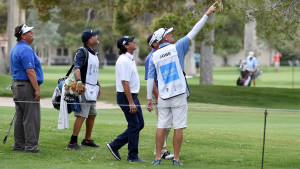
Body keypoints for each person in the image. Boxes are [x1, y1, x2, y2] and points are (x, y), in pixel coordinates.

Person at [146, 5, 216, 166]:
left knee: (161, 126)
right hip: (179, 94)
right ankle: (176, 159)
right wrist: (207, 14)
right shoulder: (177, 47)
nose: (171, 35)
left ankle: (157, 158)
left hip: (163, 96)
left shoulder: (154, 56)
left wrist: (149, 98)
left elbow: (151, 79)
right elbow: (194, 31)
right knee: (178, 127)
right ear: (163, 39)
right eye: (168, 34)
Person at [106, 35, 146, 163]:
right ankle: (132, 156)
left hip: (132, 96)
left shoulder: (129, 59)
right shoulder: (123, 60)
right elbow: (124, 83)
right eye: (131, 41)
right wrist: (130, 102)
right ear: (126, 46)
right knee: (134, 125)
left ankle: (115, 144)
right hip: (126, 97)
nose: (134, 42)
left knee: (140, 124)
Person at [10, 24, 44, 153]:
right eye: (30, 32)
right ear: (23, 36)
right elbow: (30, 71)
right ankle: (31, 147)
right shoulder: (26, 49)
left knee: (20, 116)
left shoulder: (16, 48)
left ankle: (19, 145)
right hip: (26, 86)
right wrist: (36, 89)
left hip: (17, 86)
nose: (32, 33)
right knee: (31, 117)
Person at [66, 29, 101, 149]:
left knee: (92, 114)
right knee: (82, 115)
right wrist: (79, 82)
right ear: (89, 40)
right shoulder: (82, 52)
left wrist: (98, 85)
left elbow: (94, 72)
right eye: (95, 35)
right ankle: (72, 142)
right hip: (84, 88)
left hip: (92, 88)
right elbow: (77, 68)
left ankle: (87, 139)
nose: (97, 36)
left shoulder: (94, 53)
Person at [145, 34, 174, 160]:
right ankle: (161, 150)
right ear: (155, 43)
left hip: (167, 92)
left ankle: (162, 148)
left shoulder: (164, 53)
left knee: (168, 123)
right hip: (159, 93)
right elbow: (151, 80)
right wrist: (157, 96)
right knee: (163, 122)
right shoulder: (150, 58)